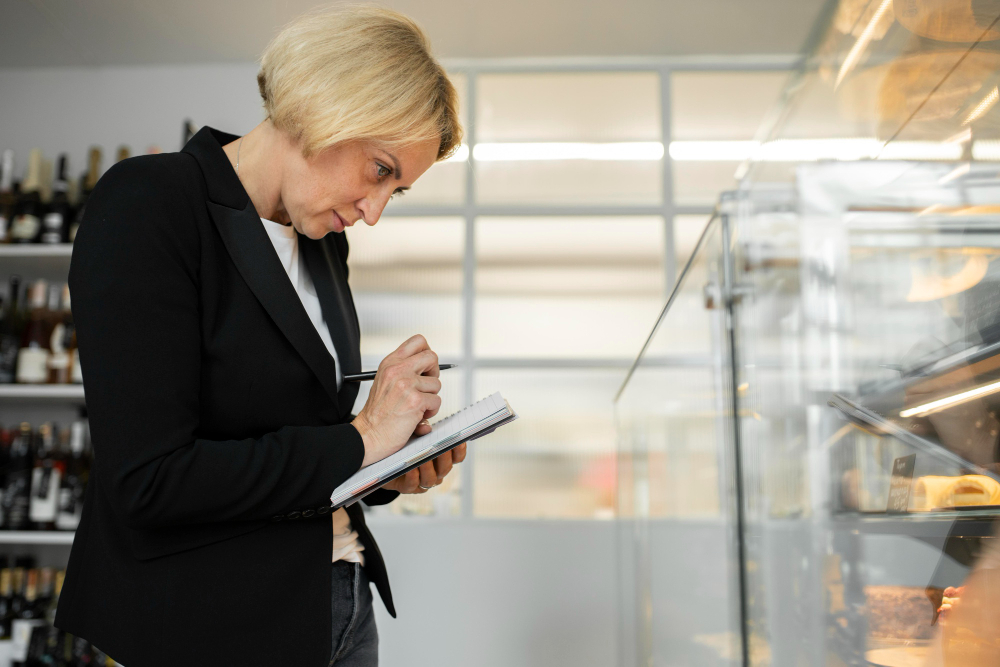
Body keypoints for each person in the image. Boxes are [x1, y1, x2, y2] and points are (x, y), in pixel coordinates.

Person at [54, 6, 464, 666]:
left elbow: (301, 435)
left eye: (398, 191)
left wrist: (388, 467)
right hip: (214, 622)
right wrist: (363, 437)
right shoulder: (151, 202)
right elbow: (151, 480)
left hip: (340, 600)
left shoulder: (323, 244)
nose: (374, 213)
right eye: (380, 170)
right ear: (324, 108)